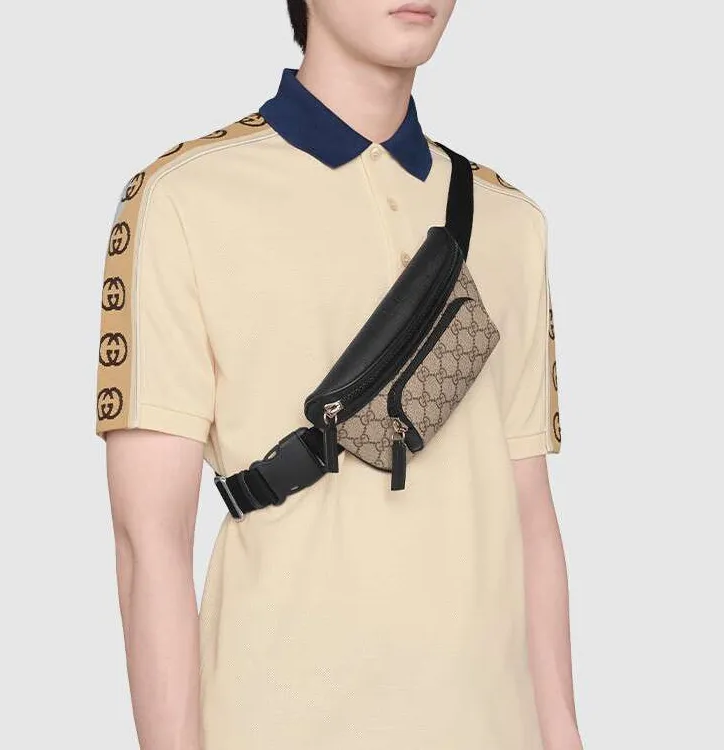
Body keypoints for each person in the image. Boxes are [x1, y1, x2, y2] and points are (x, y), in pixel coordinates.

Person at [94, 1, 582, 748]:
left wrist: (563, 734)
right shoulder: (181, 198)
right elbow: (148, 540)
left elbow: (531, 516)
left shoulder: (510, 221)